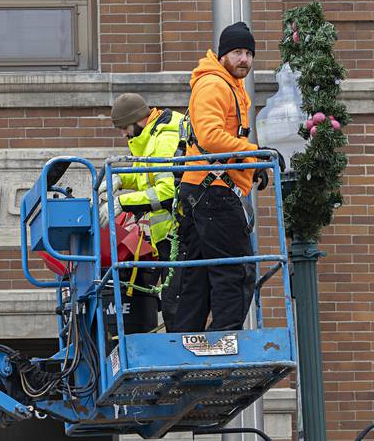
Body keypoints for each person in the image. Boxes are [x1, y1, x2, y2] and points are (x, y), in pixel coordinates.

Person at [169, 21, 284, 333]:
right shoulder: (214, 85)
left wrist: (249, 165)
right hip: (213, 193)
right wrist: (254, 153)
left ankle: (184, 339)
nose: (244, 59)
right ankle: (226, 339)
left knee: (200, 277)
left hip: (203, 191)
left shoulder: (227, 85)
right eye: (237, 52)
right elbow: (210, 136)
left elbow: (219, 141)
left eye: (248, 53)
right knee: (235, 271)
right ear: (222, 55)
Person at [98, 93, 186, 332]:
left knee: (175, 306)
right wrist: (119, 179)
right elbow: (144, 176)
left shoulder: (164, 137)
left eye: (124, 127)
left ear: (137, 120)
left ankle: (182, 357)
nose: (123, 134)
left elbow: (167, 191)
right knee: (173, 304)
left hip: (179, 234)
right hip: (170, 237)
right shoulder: (150, 138)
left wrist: (123, 203)